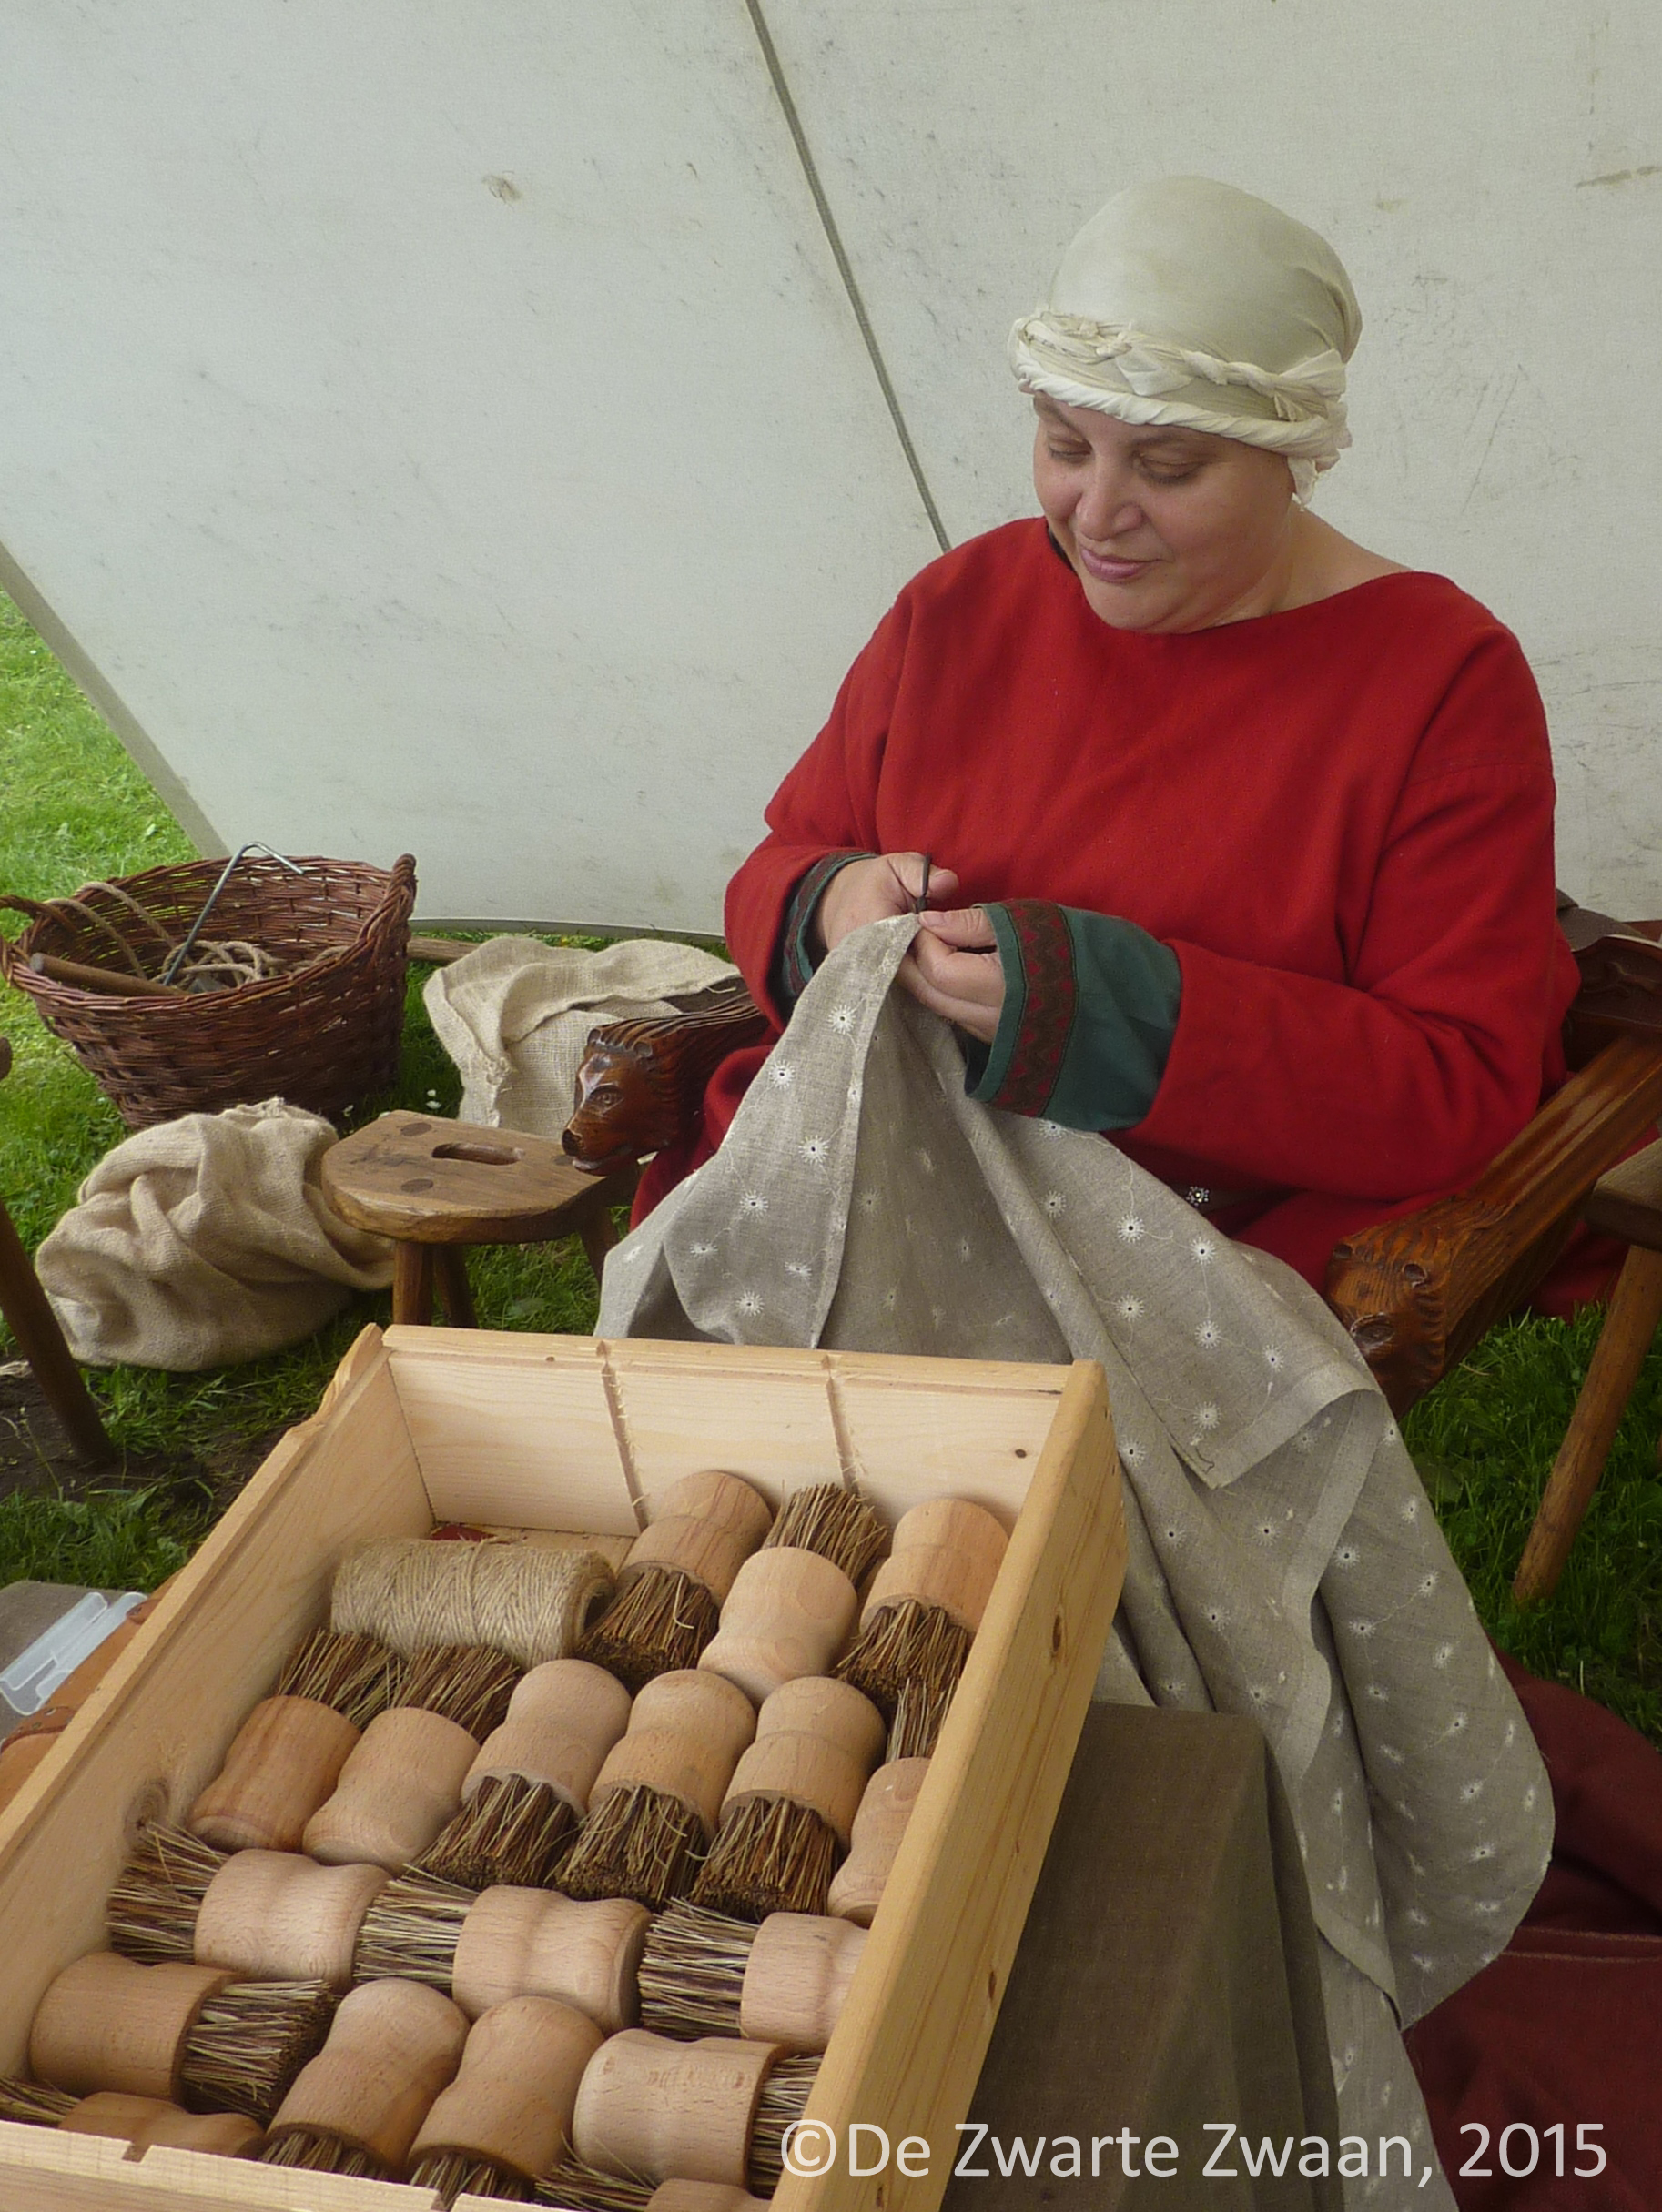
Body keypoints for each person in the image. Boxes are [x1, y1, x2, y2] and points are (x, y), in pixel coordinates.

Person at [637, 176, 1580, 1298]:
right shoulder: (961, 604)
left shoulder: (1438, 679)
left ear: (1290, 455)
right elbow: (779, 867)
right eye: (1064, 445)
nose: (1094, 513)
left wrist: (1117, 1012)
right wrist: (833, 903)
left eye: (1167, 468)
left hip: (1181, 1249)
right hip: (866, 1174)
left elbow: (1454, 1088)